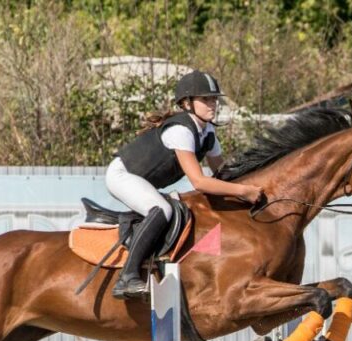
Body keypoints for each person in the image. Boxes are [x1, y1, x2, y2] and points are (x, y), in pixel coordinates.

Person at [105, 70, 264, 299]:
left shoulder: (208, 132)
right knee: (162, 209)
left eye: (214, 99)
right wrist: (243, 191)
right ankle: (127, 278)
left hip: (144, 181)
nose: (213, 104)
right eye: (206, 99)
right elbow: (199, 182)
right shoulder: (180, 130)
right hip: (122, 175)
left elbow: (223, 175)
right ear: (187, 103)